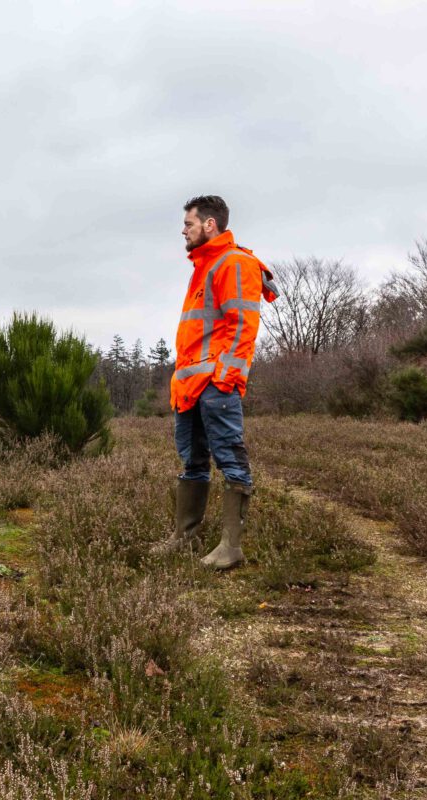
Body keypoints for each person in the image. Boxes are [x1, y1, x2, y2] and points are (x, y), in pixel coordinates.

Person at [153, 195, 277, 569]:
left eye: (188, 224)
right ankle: (185, 537)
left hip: (214, 386)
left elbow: (243, 327)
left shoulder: (234, 262)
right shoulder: (203, 265)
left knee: (231, 462)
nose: (183, 231)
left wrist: (224, 380)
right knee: (193, 463)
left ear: (210, 224)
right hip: (189, 388)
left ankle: (231, 548)